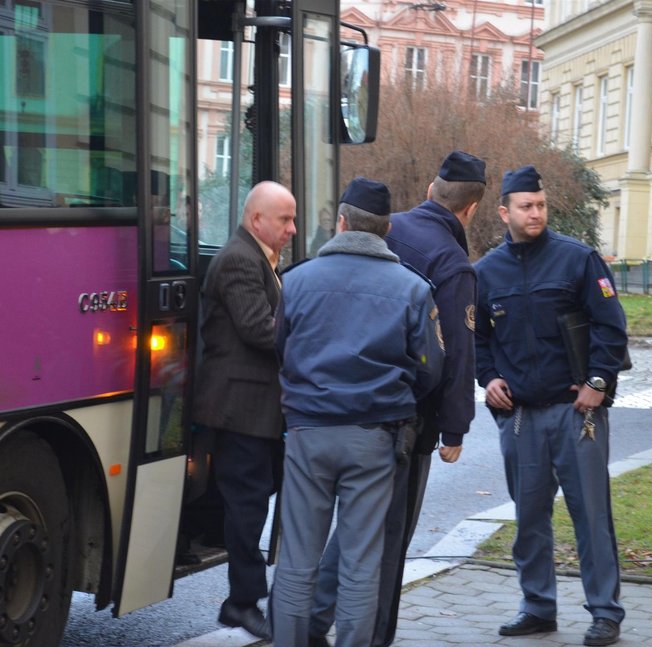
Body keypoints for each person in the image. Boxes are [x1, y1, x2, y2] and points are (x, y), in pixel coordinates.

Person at [308, 150, 485, 647]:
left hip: (335, 404)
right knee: (387, 542)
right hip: (405, 421)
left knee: (349, 527)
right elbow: (454, 355)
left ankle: (312, 616)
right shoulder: (452, 264)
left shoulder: (384, 231)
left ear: (431, 191)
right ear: (470, 210)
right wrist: (454, 428)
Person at [270, 177, 445, 647]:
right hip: (375, 436)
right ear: (386, 230)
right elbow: (431, 368)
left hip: (308, 432)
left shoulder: (297, 279)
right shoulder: (412, 289)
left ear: (341, 222)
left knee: (297, 562)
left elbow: (279, 349)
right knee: (360, 563)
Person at [473, 165, 629, 647]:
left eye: (540, 204)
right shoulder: (485, 272)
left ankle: (604, 612)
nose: (535, 212)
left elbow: (611, 327)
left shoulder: (578, 260)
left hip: (575, 413)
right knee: (530, 519)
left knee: (591, 516)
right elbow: (477, 339)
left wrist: (599, 382)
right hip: (520, 417)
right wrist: (489, 377)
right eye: (526, 206)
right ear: (505, 211)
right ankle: (538, 607)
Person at [193, 180, 297, 640]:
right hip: (240, 407)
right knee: (248, 507)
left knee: (253, 498)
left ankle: (241, 590)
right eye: (285, 220)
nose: (292, 229)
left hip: (257, 409)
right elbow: (259, 330)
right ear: (257, 221)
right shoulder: (239, 258)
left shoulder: (262, 258)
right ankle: (241, 603)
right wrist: (312, 333)